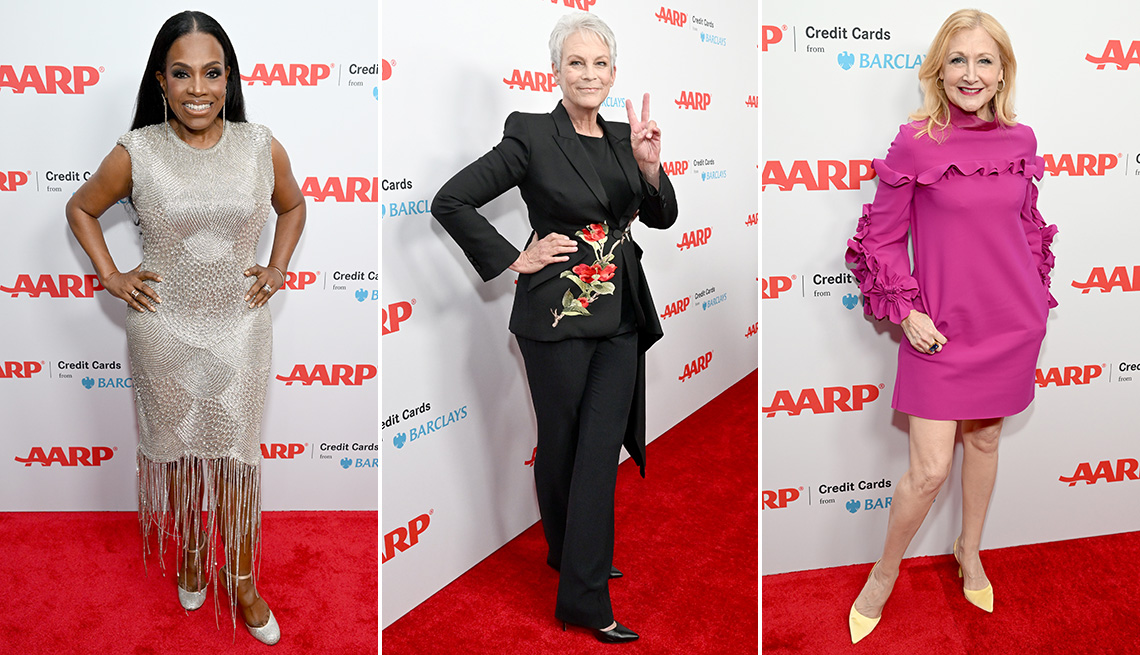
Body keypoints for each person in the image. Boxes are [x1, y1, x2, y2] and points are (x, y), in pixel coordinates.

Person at [431, 12, 678, 644]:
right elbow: (450, 199)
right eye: (576, 63)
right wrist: (515, 256)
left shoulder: (627, 136)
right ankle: (567, 551)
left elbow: (662, 217)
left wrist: (651, 169)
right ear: (556, 71)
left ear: (613, 73)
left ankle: (585, 595)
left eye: (600, 64)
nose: (589, 74)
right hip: (557, 315)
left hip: (620, 313)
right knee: (563, 444)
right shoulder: (531, 134)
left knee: (597, 451)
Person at [65, 11, 305, 646]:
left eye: (212, 73)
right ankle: (194, 555)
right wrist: (112, 276)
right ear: (161, 80)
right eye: (182, 73)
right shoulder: (136, 151)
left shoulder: (261, 145)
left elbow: (293, 204)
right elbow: (81, 207)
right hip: (163, 329)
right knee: (179, 457)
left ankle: (246, 580)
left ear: (228, 79)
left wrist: (277, 268)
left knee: (236, 458)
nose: (198, 88)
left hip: (240, 328)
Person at [844, 9, 1056, 644]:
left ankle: (971, 551)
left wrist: (1038, 298)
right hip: (940, 330)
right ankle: (884, 574)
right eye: (958, 59)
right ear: (938, 69)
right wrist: (907, 310)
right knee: (929, 470)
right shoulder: (916, 143)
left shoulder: (1021, 142)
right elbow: (877, 242)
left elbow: (1026, 226)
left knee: (986, 443)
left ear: (1002, 72)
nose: (971, 73)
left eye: (984, 60)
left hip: (1010, 322)